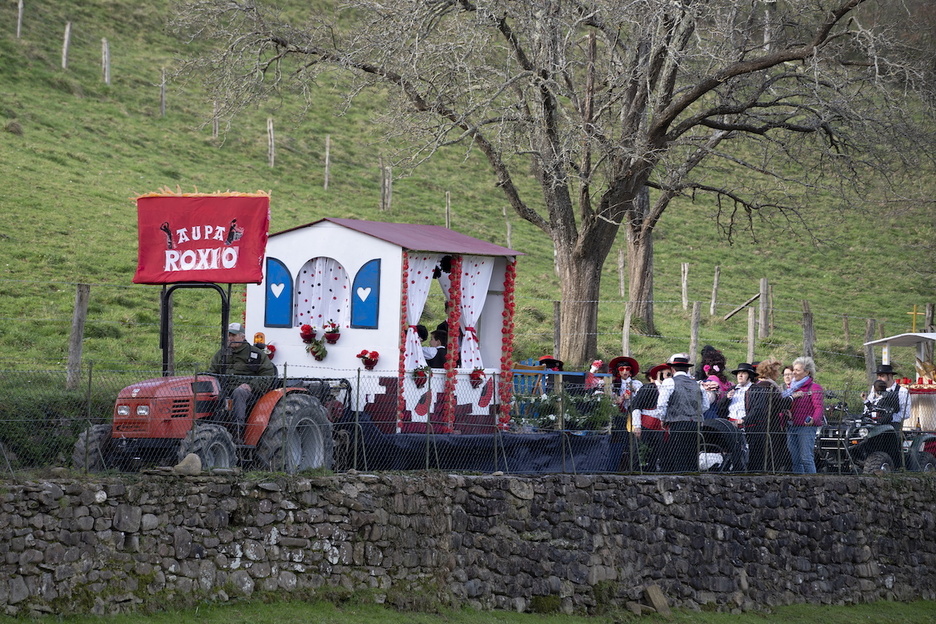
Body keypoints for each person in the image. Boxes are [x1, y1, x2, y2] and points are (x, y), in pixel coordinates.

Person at [209, 322, 277, 439]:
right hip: (223, 389)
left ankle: (238, 431)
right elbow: (211, 372)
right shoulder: (221, 354)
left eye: (233, 335)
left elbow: (268, 375)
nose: (230, 338)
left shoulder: (255, 354)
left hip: (248, 392)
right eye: (228, 335)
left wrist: (251, 385)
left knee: (239, 392)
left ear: (242, 337)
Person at [657, 353, 710, 472]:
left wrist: (662, 418)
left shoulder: (669, 382)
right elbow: (706, 405)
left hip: (678, 421)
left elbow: (662, 403)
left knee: (678, 454)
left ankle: (680, 479)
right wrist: (695, 412)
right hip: (695, 423)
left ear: (672, 369)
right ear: (687, 369)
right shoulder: (697, 384)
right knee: (692, 453)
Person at [744, 359, 792, 472]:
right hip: (770, 424)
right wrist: (791, 398)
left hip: (758, 423)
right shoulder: (768, 386)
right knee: (770, 453)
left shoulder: (755, 385)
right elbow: (778, 403)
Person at [783, 356, 824, 474]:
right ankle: (798, 483)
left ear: (807, 372)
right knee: (795, 459)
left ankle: (813, 483)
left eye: (797, 370)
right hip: (792, 426)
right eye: (794, 370)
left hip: (806, 427)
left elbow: (819, 407)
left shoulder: (814, 388)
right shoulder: (791, 388)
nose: (794, 372)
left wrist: (813, 419)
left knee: (806, 458)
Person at [629, 363, 672, 472]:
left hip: (660, 428)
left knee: (655, 453)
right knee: (639, 453)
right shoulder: (648, 388)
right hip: (645, 426)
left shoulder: (670, 389)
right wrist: (637, 426)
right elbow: (636, 406)